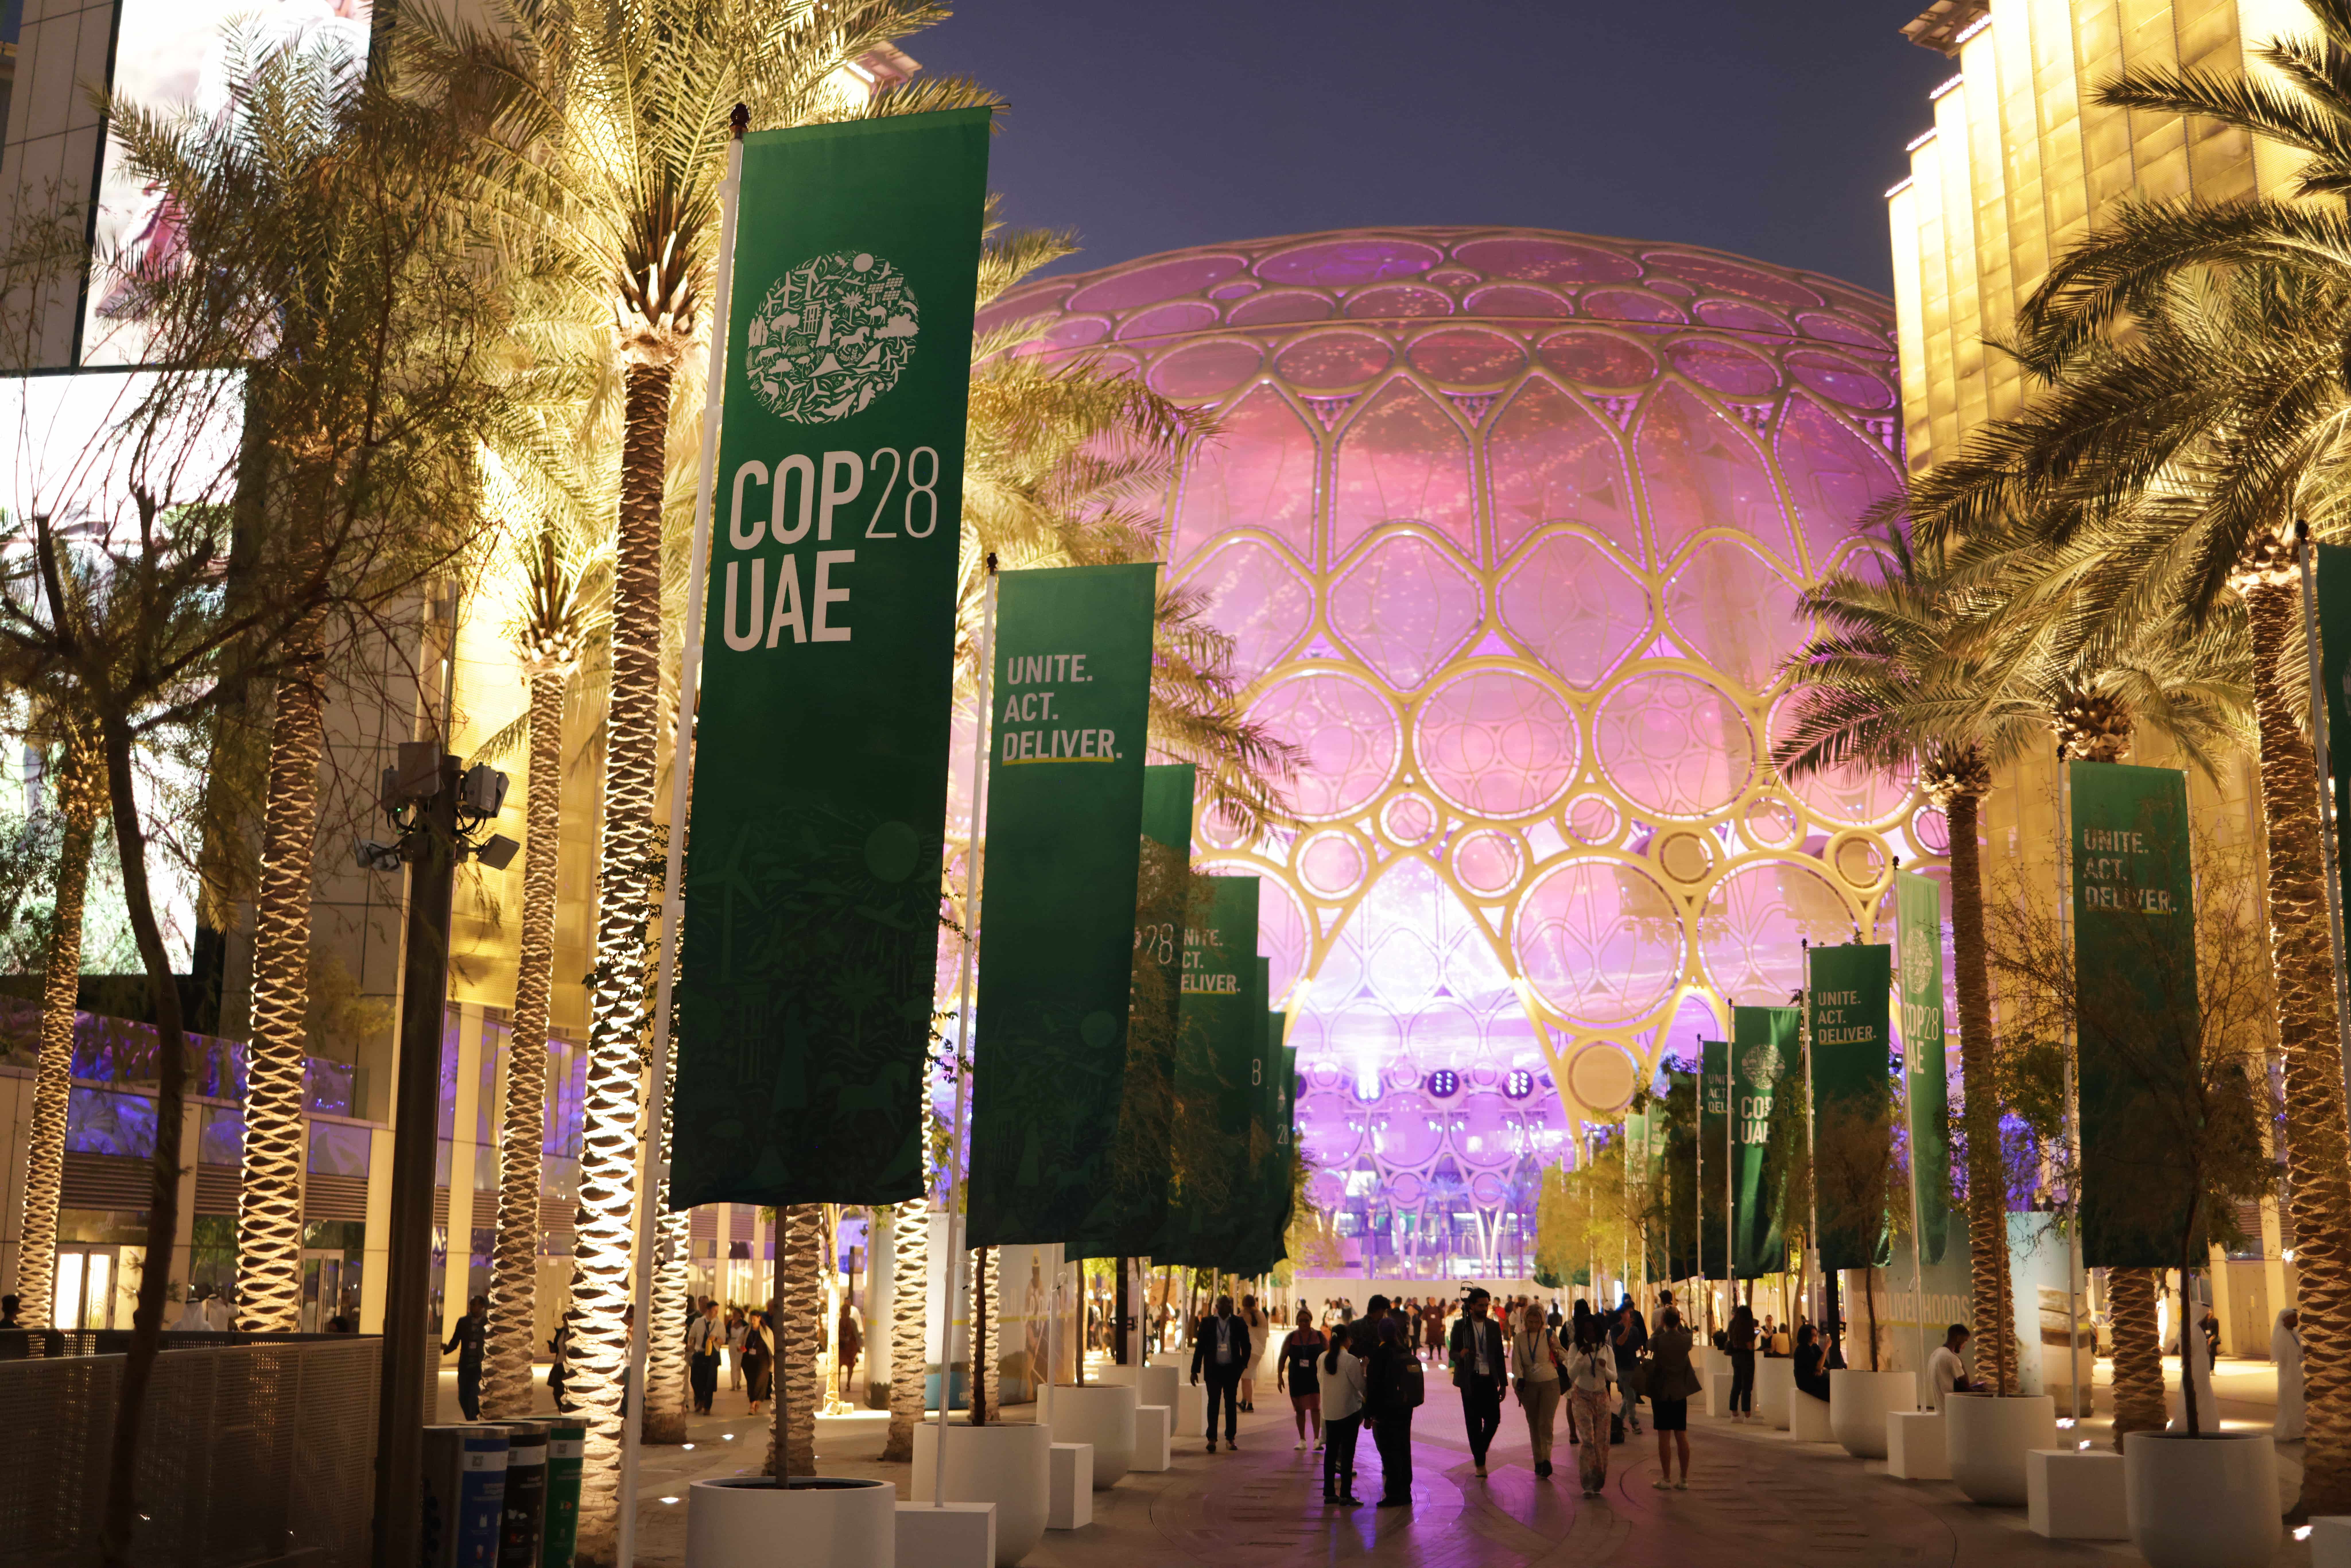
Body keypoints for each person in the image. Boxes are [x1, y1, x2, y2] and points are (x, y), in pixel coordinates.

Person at [1363, 1295, 1419, 1506]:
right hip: (1405, 1409)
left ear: (1380, 1334)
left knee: (1389, 1452)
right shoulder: (1404, 1351)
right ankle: (1405, 1490)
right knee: (1404, 1448)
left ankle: (1394, 1493)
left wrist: (1368, 1415)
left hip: (1386, 1412)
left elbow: (1373, 1388)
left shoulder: (1379, 1356)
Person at [1450, 1288, 1509, 1477]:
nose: (1484, 1309)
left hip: (1489, 1379)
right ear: (1472, 1306)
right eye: (1481, 1305)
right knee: (1473, 1423)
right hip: (1470, 1380)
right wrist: (1460, 1355)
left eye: (1487, 1305)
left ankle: (1479, 1451)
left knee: (1494, 1420)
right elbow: (1452, 1352)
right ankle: (1480, 1463)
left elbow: (1499, 1356)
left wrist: (1504, 1383)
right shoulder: (1461, 1326)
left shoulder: (1493, 1327)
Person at [1561, 1309, 1618, 1497]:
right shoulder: (1575, 1348)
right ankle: (1587, 1482)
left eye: (1593, 1330)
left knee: (1602, 1441)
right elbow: (1571, 1374)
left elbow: (1614, 1376)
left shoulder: (1606, 1349)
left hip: (1601, 1396)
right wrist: (1581, 1357)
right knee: (1588, 1439)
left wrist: (1604, 1369)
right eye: (1586, 1330)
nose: (1590, 1334)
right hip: (1582, 1396)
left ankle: (1599, 1481)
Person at [1647, 1304, 1700, 1490]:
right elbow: (1688, 1337)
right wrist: (1682, 1322)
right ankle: (1684, 1479)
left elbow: (1650, 1343)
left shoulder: (1659, 1341)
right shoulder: (1685, 1341)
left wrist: (1661, 1326)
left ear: (1663, 1321)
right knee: (1681, 1435)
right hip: (1679, 1392)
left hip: (1661, 1392)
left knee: (1664, 1437)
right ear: (1678, 1321)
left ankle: (1667, 1478)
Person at [1190, 1293, 1252, 1452]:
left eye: (1230, 1304)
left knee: (1231, 1404)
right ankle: (1212, 1438)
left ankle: (1230, 1438)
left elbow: (1247, 1344)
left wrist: (1243, 1365)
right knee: (1214, 1403)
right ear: (1217, 1307)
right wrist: (1195, 1370)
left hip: (1232, 1370)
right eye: (1224, 1305)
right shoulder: (1208, 1323)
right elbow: (1200, 1348)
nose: (1228, 1307)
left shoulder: (1238, 1322)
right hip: (1214, 1370)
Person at [1511, 1299, 1564, 1478]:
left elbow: (1563, 1354)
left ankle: (1547, 1459)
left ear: (1542, 1321)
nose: (1534, 1325)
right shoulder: (1519, 1338)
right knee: (1534, 1424)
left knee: (1546, 1422)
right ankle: (1539, 1461)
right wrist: (1518, 1381)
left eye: (1537, 1322)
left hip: (1550, 1383)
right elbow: (1516, 1363)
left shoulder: (1549, 1335)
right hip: (1529, 1385)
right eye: (1530, 1322)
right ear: (1526, 1321)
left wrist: (1555, 1351)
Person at [1321, 1319, 1370, 1505]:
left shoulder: (1323, 1358)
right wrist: (1364, 1369)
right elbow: (1360, 1386)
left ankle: (1329, 1493)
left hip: (1330, 1413)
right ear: (1347, 1340)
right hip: (1349, 1412)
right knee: (1348, 1455)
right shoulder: (1350, 1360)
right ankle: (1345, 1495)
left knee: (1331, 1453)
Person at [1278, 1302, 1326, 1450]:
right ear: (1297, 1322)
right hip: (1297, 1377)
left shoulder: (1319, 1336)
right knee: (1299, 1409)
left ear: (1311, 1321)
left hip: (1314, 1376)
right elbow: (1283, 1357)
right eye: (1301, 1321)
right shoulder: (1292, 1337)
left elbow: (1329, 1354)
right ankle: (1302, 1439)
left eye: (1306, 1320)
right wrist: (1279, 1376)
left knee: (1315, 1408)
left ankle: (1317, 1439)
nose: (1304, 1323)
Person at [443, 1295, 488, 1421]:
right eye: (471, 1305)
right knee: (463, 1397)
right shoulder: (463, 1322)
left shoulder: (488, 1323)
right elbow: (456, 1340)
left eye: (475, 1305)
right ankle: (471, 1420)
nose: (472, 1307)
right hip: (465, 1366)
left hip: (478, 1367)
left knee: (474, 1396)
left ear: (482, 1307)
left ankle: (474, 1420)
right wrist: (446, 1349)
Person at [1611, 1294, 1648, 1436]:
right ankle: (1634, 1423)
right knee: (1631, 1396)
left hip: (1634, 1366)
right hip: (1622, 1367)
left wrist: (1642, 1357)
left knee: (1628, 1396)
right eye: (1629, 1313)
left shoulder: (1635, 1330)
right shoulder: (1616, 1329)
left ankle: (1618, 1421)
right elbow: (1619, 1343)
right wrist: (1627, 1329)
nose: (1632, 1315)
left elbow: (1638, 1346)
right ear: (1622, 1315)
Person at [687, 1297, 723, 1416]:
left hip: (712, 1355)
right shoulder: (698, 1322)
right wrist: (690, 1344)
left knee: (710, 1382)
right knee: (695, 1380)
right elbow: (692, 1335)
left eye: (718, 1311)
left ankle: (707, 1407)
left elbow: (723, 1340)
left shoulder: (719, 1325)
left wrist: (716, 1339)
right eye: (714, 1310)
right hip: (699, 1353)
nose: (716, 1313)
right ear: (708, 1310)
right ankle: (701, 1398)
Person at [2273, 1309, 2305, 1441]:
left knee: (2299, 1402)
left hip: (2298, 1374)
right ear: (2285, 1320)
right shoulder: (2281, 1335)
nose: (2296, 1321)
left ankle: (2299, 1431)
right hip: (2288, 1375)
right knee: (2290, 1402)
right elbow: (2283, 1358)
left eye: (2296, 1318)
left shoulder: (2295, 1333)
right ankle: (2290, 1432)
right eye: (2293, 1318)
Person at [1927, 1323, 1972, 1411]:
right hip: (1951, 1411)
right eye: (1965, 1341)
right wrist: (1961, 1363)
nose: (1964, 1346)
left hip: (1940, 1409)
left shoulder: (1936, 1354)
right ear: (1959, 1338)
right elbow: (1966, 1388)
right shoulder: (1951, 1358)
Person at [1726, 1304, 1757, 1420]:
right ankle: (1747, 1413)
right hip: (1747, 1358)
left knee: (1737, 1384)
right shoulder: (1748, 1327)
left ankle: (1734, 1412)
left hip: (1736, 1357)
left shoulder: (1732, 1325)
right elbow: (1750, 1346)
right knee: (1747, 1386)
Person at [744, 1309, 774, 1415]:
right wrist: (741, 1348)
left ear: (760, 1319)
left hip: (763, 1360)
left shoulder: (766, 1331)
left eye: (755, 1319)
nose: (753, 1321)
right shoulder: (747, 1330)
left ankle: (753, 1405)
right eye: (751, 1319)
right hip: (749, 1360)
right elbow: (741, 1342)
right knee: (752, 1382)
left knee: (760, 1381)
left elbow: (772, 1346)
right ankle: (756, 1401)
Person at [1239, 1293, 1266, 1412]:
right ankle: (1244, 1401)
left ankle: (1249, 1404)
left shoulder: (1242, 1316)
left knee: (1246, 1378)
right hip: (1259, 1351)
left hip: (1248, 1351)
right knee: (1249, 1376)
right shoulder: (1262, 1315)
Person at [1793, 1321, 1831, 1403]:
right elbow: (1818, 1366)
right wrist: (1826, 1349)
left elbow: (1824, 1364)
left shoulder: (1814, 1347)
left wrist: (1820, 1369)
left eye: (1816, 1334)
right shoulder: (1802, 1350)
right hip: (1806, 1381)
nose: (1816, 1337)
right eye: (1813, 1335)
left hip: (1815, 1377)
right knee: (1830, 1386)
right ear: (1807, 1336)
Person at [837, 1298, 864, 1407]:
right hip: (841, 1348)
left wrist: (858, 1346)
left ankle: (848, 1383)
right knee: (838, 1366)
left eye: (845, 1311)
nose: (844, 1313)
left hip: (849, 1349)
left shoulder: (852, 1322)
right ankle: (837, 1384)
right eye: (842, 1311)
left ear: (848, 1312)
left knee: (850, 1366)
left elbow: (857, 1334)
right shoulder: (838, 1322)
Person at [548, 1312, 576, 1413]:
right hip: (559, 1365)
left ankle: (567, 1411)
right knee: (557, 1393)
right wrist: (552, 1347)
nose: (565, 1322)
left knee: (566, 1391)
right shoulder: (561, 1333)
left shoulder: (574, 1333)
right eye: (564, 1320)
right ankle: (562, 1410)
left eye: (567, 1320)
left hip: (569, 1367)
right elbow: (556, 1348)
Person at [726, 1307, 747, 1391]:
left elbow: (746, 1335)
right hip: (732, 1343)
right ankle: (733, 1384)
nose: (734, 1315)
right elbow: (727, 1334)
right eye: (733, 1313)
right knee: (732, 1364)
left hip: (740, 1344)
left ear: (740, 1314)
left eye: (736, 1313)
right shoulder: (730, 1323)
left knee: (739, 1363)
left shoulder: (744, 1324)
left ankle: (739, 1382)